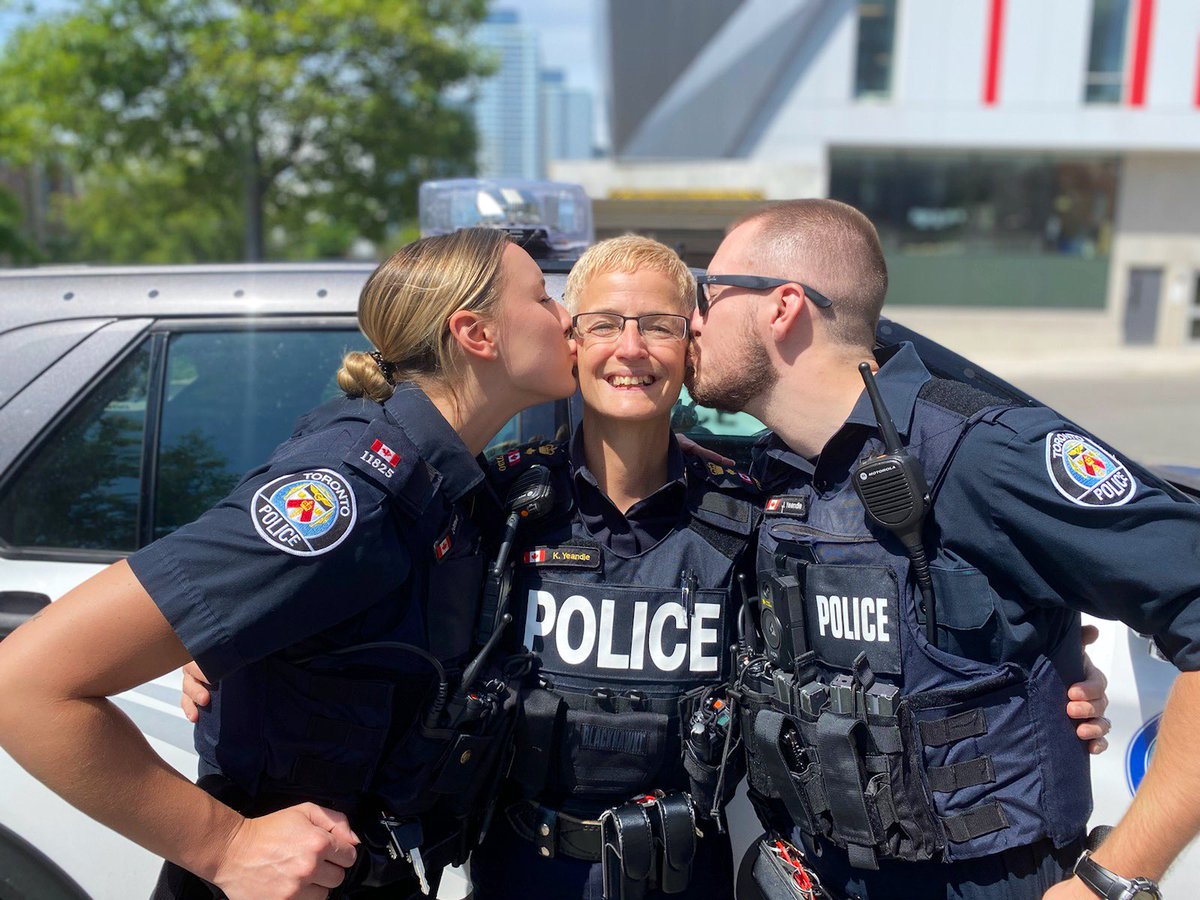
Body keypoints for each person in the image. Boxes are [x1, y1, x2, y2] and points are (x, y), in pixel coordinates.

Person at [177, 231, 1111, 900]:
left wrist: (1052, 677)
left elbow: (893, 627)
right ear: (570, 340)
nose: (632, 348)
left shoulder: (759, 509)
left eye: (660, 325)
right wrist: (236, 645)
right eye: (605, 322)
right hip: (521, 869)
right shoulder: (487, 500)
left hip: (697, 870)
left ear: (692, 347)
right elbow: (341, 599)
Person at [0, 227, 578, 900]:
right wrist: (224, 845)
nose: (566, 318)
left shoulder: (445, 489)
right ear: (476, 333)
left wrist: (237, 638)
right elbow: (25, 685)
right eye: (543, 298)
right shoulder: (356, 492)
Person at [685, 199, 1200, 900]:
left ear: (781, 308)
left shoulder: (979, 453)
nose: (693, 320)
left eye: (709, 295)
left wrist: (1110, 881)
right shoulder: (779, 476)